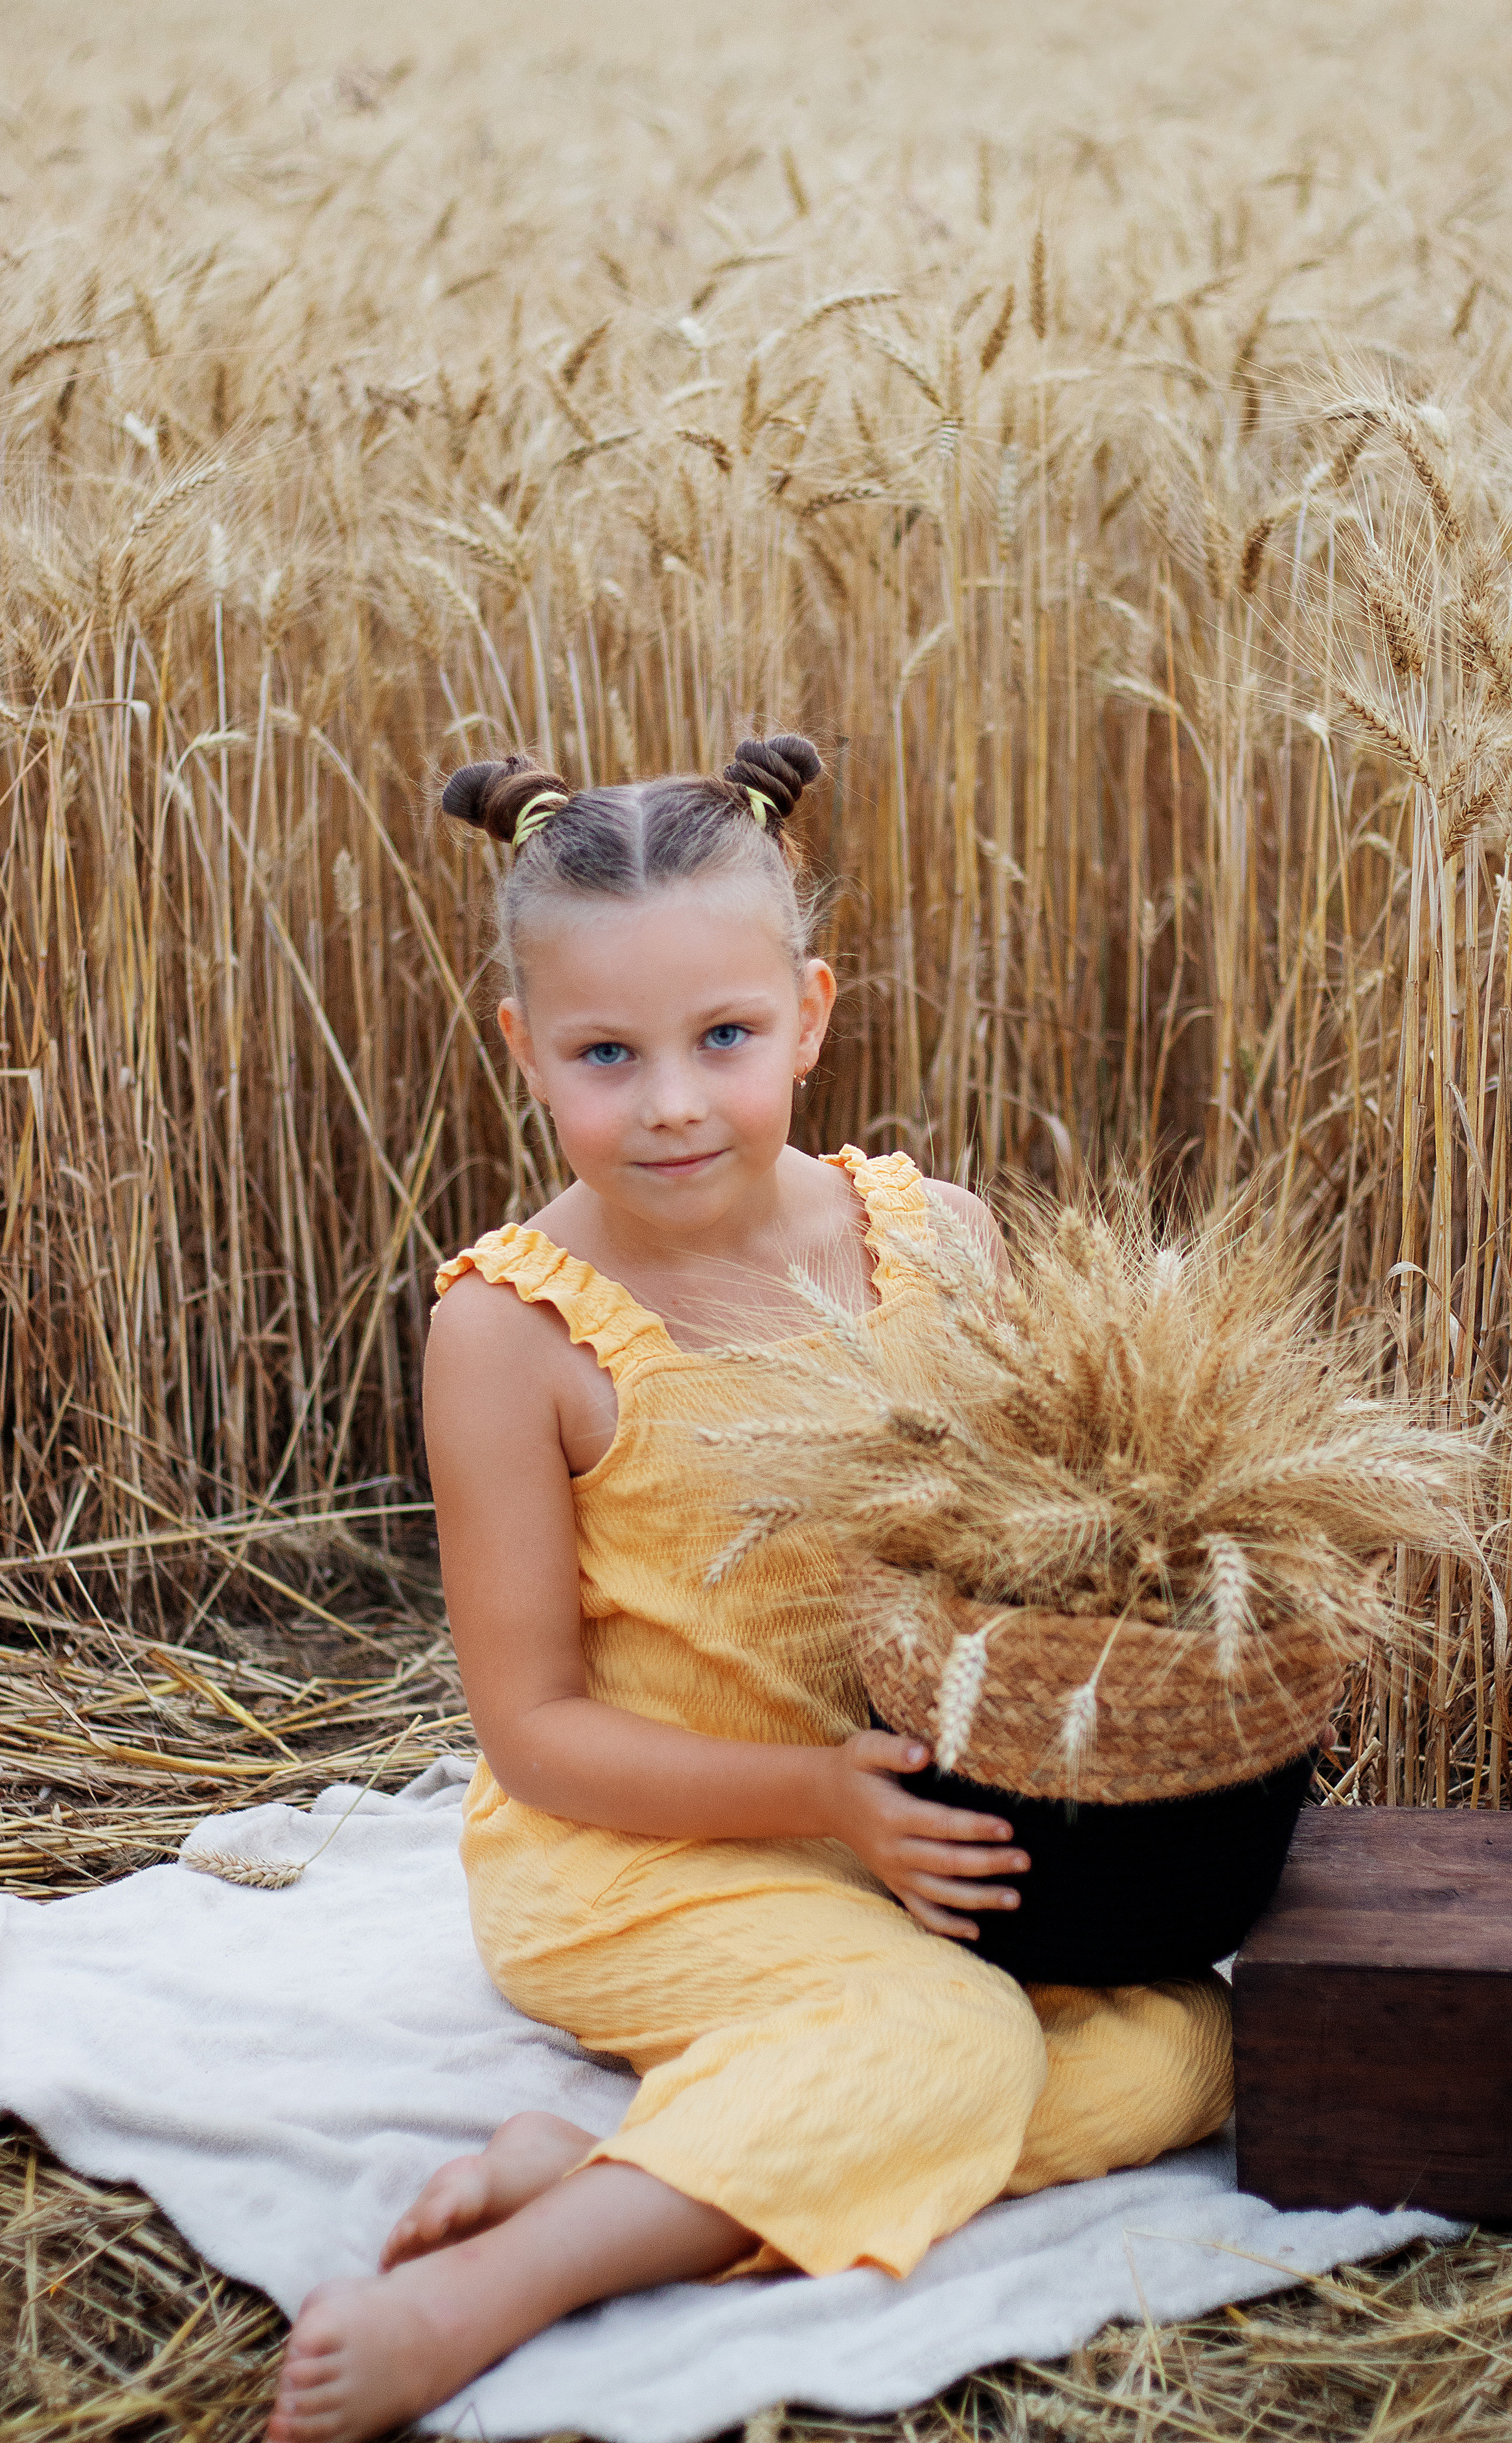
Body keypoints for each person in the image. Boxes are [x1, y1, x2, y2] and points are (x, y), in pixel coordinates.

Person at [267, 734, 1231, 2443]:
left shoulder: (940, 1237)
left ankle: (628, 2167)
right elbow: (540, 1733)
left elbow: (1018, 1543)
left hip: (890, 1812)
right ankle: (501, 2286)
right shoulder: (511, 1332)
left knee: (1190, 2049)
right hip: (637, 1852)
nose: (672, 1102)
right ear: (523, 1051)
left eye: (725, 1037)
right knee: (962, 2043)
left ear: (813, 1011)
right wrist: (818, 1802)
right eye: (604, 1054)